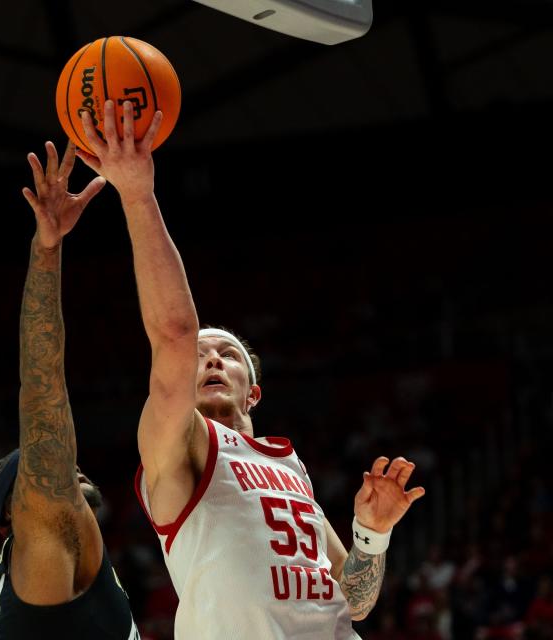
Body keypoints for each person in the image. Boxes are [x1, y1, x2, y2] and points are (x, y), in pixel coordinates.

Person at [75, 99, 426, 639]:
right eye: (199, 356)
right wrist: (137, 193)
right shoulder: (180, 446)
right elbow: (172, 334)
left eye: (228, 354)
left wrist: (371, 534)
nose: (211, 357)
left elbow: (353, 602)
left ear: (253, 392)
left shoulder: (291, 467)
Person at [0, 140, 140, 639]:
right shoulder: (45, 530)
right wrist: (46, 251)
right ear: (18, 507)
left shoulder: (37, 580)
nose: (73, 466)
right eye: (46, 469)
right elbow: (43, 394)